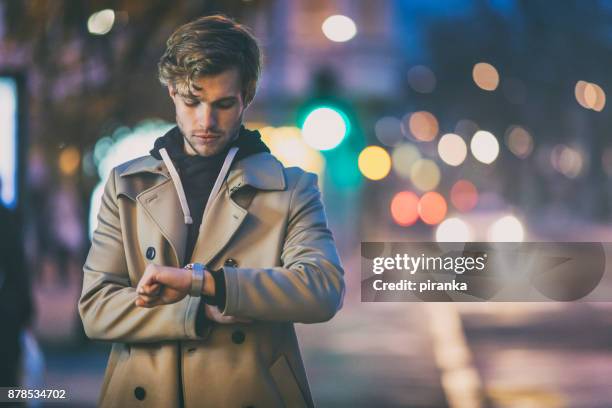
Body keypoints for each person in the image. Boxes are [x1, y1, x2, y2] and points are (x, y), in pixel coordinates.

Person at [78, 14, 344, 408]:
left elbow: (322, 289)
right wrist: (195, 313)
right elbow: (96, 309)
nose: (206, 121)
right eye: (192, 101)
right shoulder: (127, 186)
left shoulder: (292, 188)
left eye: (223, 104)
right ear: (172, 91)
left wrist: (210, 284)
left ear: (247, 96)